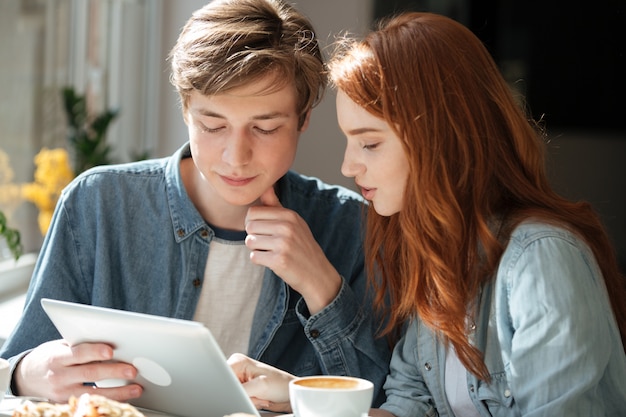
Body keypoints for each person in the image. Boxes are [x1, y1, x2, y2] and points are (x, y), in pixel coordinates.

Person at [228, 11, 626, 416]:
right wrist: (300, 396)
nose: (348, 167)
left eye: (369, 144)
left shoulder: (541, 261)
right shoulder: (439, 259)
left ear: (438, 138)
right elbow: (407, 407)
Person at [0, 0, 391, 406]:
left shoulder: (351, 227)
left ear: (304, 117)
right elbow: (16, 373)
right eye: (213, 125)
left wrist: (320, 285)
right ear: (186, 108)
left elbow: (385, 402)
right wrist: (26, 374)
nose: (236, 156)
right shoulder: (96, 205)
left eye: (266, 127)